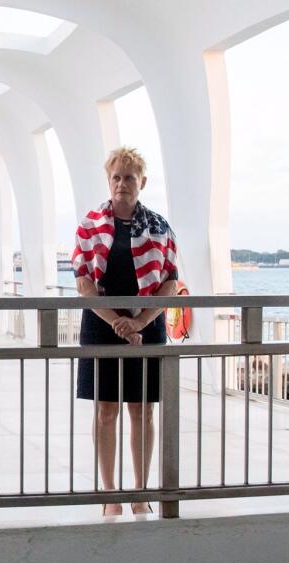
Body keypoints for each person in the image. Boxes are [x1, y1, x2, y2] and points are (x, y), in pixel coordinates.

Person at [72, 147, 180, 516]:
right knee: (105, 409)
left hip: (146, 326)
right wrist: (117, 321)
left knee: (142, 411)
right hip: (101, 326)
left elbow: (169, 283)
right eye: (116, 177)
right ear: (109, 180)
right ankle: (109, 494)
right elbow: (84, 283)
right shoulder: (89, 225)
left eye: (129, 177)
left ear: (142, 182)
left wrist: (138, 322)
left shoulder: (159, 226)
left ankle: (139, 492)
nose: (122, 184)